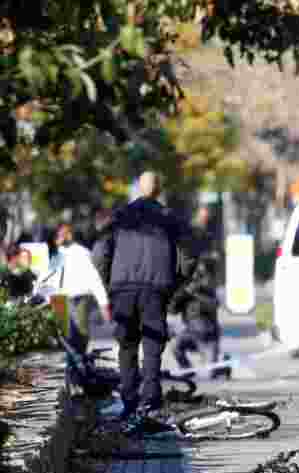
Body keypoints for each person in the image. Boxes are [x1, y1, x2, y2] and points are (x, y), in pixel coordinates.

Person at [93, 171, 197, 424]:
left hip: (122, 288)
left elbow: (100, 253)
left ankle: (129, 402)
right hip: (156, 290)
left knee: (127, 345)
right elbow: (189, 257)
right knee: (152, 346)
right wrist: (176, 286)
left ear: (139, 188)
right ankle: (150, 400)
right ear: (159, 190)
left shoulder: (120, 216)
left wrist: (107, 284)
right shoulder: (169, 218)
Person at [45, 223, 112, 362]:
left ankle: (79, 367)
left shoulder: (82, 252)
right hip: (59, 299)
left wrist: (103, 303)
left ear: (70, 235)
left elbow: (94, 279)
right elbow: (48, 278)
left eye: (64, 234)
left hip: (80, 298)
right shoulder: (56, 254)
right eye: (59, 234)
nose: (60, 237)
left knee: (80, 336)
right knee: (65, 338)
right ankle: (73, 368)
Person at [171, 255, 229, 379]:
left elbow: (214, 305)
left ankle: (224, 366)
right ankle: (187, 370)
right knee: (175, 347)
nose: (199, 278)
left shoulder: (209, 291)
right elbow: (172, 310)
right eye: (197, 274)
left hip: (208, 337)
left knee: (212, 373)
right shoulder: (186, 292)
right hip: (191, 335)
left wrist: (196, 294)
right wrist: (184, 294)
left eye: (202, 274)